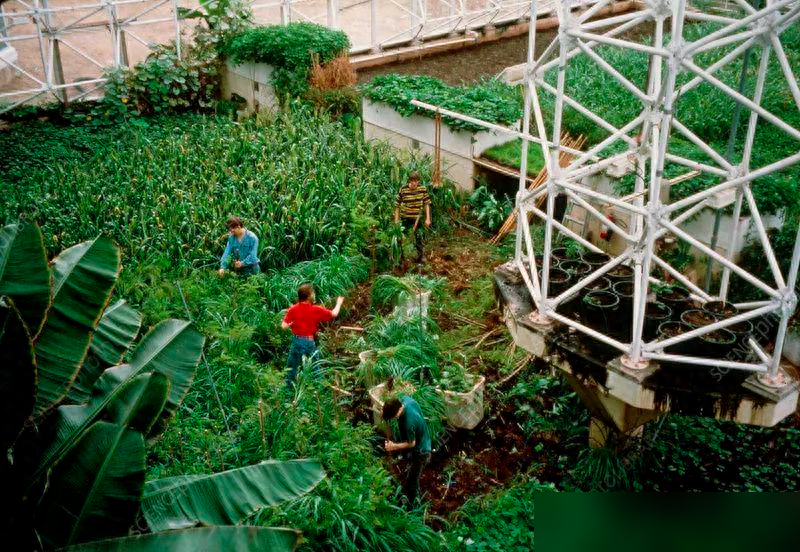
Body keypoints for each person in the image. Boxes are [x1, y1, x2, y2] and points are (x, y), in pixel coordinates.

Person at [281, 283, 344, 389]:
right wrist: (339, 303)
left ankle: (287, 391)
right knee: (316, 367)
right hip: (310, 342)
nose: (314, 294)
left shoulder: (293, 309)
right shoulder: (315, 309)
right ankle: (318, 390)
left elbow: (283, 326)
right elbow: (334, 314)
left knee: (291, 368)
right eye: (313, 292)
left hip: (297, 341)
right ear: (309, 296)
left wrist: (291, 323)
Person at [382, 395, 432, 507]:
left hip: (421, 451)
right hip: (423, 437)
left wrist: (394, 447)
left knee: (412, 481)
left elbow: (412, 443)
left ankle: (412, 506)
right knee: (412, 471)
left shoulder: (408, 422)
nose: (394, 419)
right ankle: (414, 495)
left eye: (394, 417)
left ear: (398, 411)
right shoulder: (405, 400)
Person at [394, 172, 432, 264]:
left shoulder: (422, 189)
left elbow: (426, 204)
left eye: (416, 181)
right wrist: (396, 221)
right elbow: (397, 206)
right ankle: (403, 258)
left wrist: (428, 218)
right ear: (409, 181)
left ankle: (421, 256)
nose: (415, 184)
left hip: (417, 218)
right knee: (404, 239)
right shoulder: (403, 190)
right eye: (413, 181)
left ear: (418, 182)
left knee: (419, 237)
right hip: (405, 218)